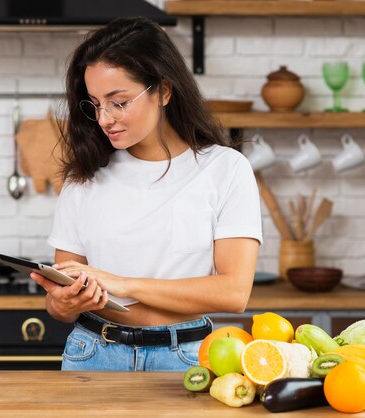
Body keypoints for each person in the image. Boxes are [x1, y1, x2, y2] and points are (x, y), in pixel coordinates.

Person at [30, 17, 262, 372]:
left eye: (118, 102)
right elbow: (60, 303)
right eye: (94, 104)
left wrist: (121, 283)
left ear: (164, 91)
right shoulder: (84, 177)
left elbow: (233, 293)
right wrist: (63, 303)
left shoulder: (225, 169)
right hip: (92, 353)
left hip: (186, 357)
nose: (104, 118)